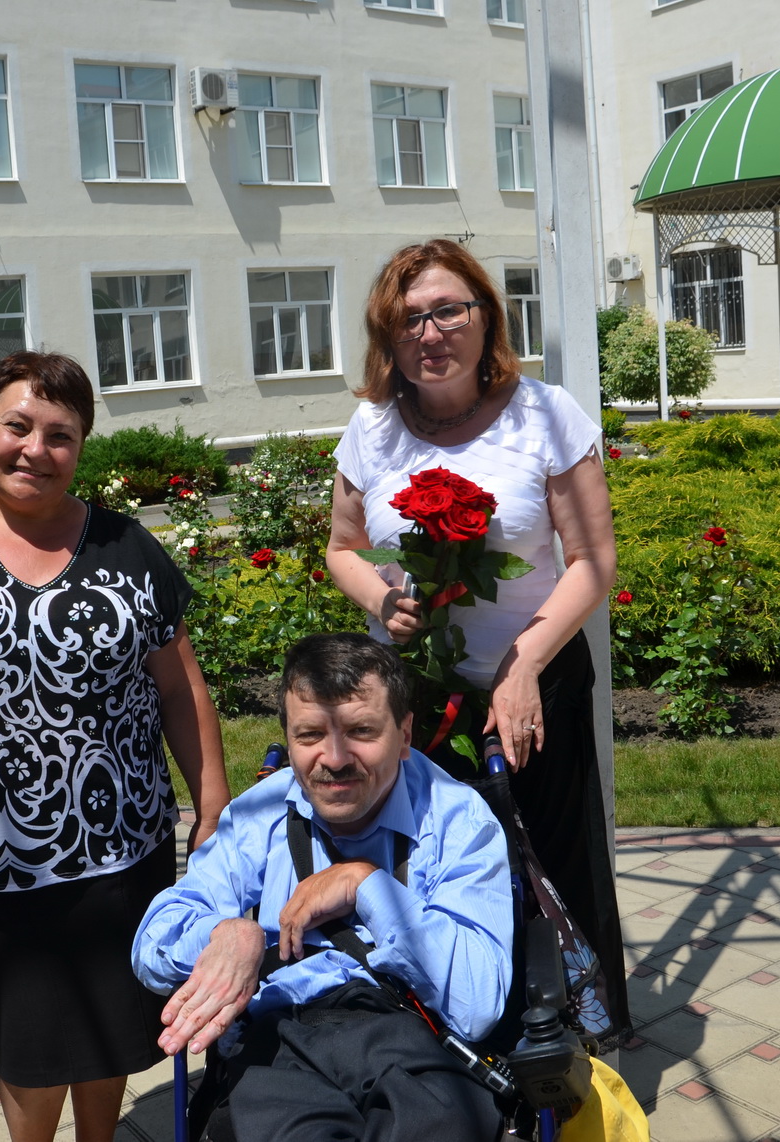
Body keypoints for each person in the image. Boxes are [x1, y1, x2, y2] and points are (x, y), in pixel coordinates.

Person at [0, 350, 230, 1142]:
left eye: (59, 435)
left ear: (81, 445)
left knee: (112, 1026)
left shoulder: (126, 548)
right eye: (16, 427)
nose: (35, 450)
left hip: (124, 848)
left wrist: (211, 809)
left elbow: (180, 689)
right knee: (28, 1043)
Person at [324, 239, 630, 1044]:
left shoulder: (545, 413)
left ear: (485, 317)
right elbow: (342, 548)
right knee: (432, 869)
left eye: (447, 312)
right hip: (413, 697)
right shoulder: (372, 428)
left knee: (551, 867)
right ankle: (454, 1044)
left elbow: (592, 562)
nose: (429, 334)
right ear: (387, 338)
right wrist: (382, 596)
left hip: (533, 685)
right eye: (407, 320)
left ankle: (573, 1045)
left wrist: (521, 667)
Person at [134, 633, 512, 1142]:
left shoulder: (457, 820)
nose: (334, 758)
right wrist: (225, 934)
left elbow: (477, 1004)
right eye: (310, 734)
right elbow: (152, 942)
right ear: (289, 739)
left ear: (404, 735)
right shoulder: (262, 813)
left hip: (416, 1035)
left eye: (361, 731)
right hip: (282, 1041)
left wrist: (366, 886)